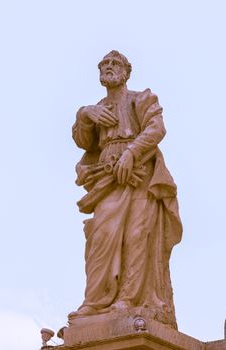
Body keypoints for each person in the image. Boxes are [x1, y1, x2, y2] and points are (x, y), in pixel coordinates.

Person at [69, 50, 183, 328]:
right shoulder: (96, 109)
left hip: (140, 176)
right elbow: (84, 142)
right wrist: (84, 115)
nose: (108, 68)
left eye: (114, 64)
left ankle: (129, 299)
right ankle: (95, 302)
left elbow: (156, 128)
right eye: (104, 65)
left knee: (137, 236)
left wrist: (131, 153)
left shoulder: (141, 99)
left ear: (126, 72)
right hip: (106, 181)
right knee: (101, 235)